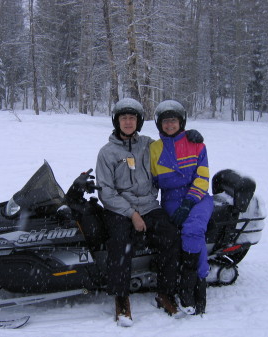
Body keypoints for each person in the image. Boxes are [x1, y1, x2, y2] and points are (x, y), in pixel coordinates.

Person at [95, 98, 182, 327]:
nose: (128, 122)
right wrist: (132, 214)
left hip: (149, 205)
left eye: (132, 118)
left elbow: (172, 145)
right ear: (116, 121)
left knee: (170, 236)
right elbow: (106, 191)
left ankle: (165, 292)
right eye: (123, 118)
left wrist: (189, 137)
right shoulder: (107, 152)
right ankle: (121, 297)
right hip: (119, 208)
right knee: (120, 242)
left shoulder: (148, 144)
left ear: (139, 121)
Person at [150, 100, 214, 316]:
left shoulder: (196, 144)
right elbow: (150, 180)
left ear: (181, 122)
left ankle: (192, 284)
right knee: (175, 235)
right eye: (165, 121)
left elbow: (203, 177)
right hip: (170, 199)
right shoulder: (154, 149)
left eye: (174, 120)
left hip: (198, 197)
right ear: (159, 124)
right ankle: (190, 281)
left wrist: (189, 201)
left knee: (193, 230)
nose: (170, 124)